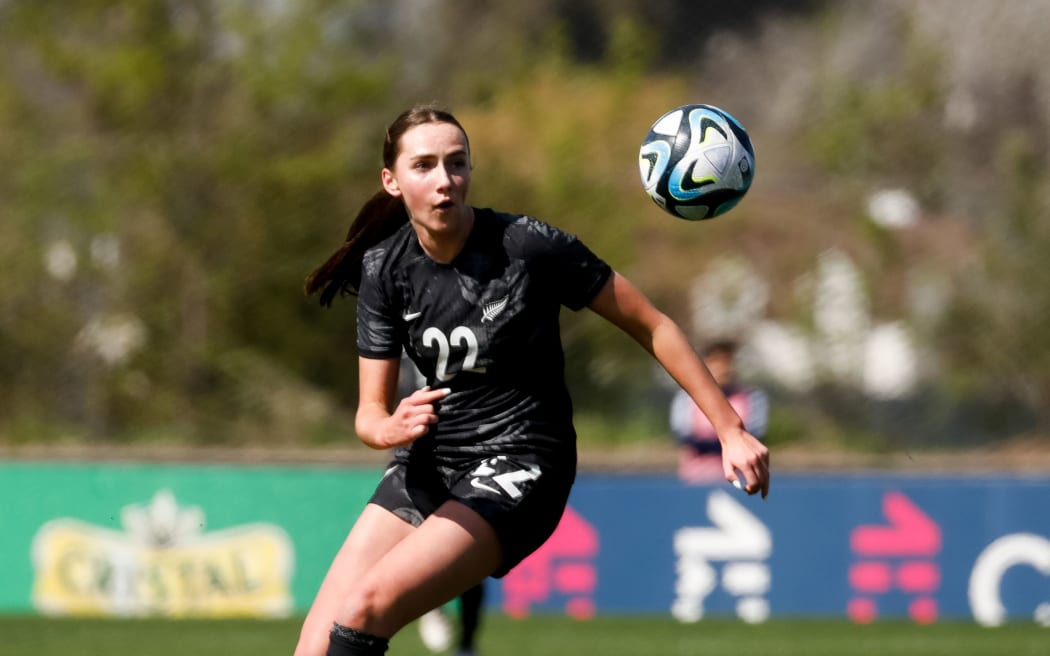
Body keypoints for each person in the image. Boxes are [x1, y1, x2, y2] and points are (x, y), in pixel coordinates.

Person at [295, 104, 770, 656]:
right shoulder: (384, 268)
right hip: (431, 460)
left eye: (457, 164)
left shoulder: (528, 246)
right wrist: (389, 428)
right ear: (392, 181)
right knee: (315, 643)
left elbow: (653, 325)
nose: (445, 181)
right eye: (424, 166)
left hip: (522, 460)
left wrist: (729, 428)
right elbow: (369, 416)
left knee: (365, 608)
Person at [670, 339, 769, 484]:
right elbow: (683, 436)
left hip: (742, 479)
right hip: (695, 478)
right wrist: (730, 440)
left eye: (726, 361)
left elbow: (756, 435)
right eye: (716, 362)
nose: (722, 368)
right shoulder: (686, 397)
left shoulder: (752, 398)